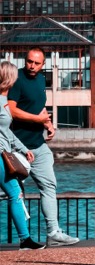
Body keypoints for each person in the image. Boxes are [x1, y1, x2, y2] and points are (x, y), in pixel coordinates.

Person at [7, 48, 79, 247]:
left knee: (49, 186)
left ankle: (53, 233)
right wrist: (38, 119)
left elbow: (38, 105)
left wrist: (47, 123)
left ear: (43, 65)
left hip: (38, 146)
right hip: (15, 149)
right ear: (25, 60)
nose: (32, 66)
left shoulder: (40, 80)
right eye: (29, 61)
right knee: (14, 194)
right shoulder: (16, 79)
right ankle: (25, 239)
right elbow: (11, 109)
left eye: (36, 63)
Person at [0, 61, 46, 250]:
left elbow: (7, 133)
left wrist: (23, 148)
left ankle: (25, 239)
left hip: (4, 152)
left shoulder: (4, 101)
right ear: (9, 78)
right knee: (15, 193)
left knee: (15, 193)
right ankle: (25, 239)